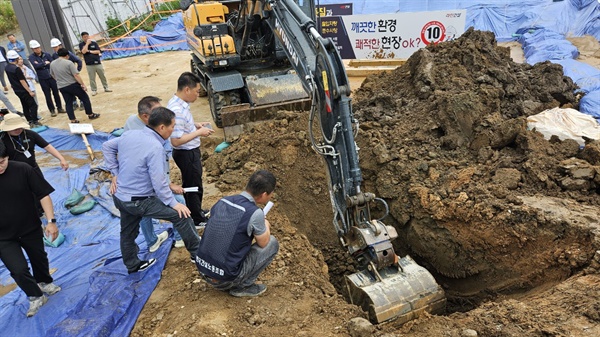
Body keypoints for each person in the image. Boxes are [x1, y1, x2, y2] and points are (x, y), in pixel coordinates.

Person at [102, 107, 201, 274]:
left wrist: (115, 173)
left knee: (127, 231)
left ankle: (132, 265)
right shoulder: (155, 147)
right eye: (172, 126)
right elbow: (159, 182)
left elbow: (107, 146)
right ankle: (198, 255)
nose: (173, 130)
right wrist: (173, 203)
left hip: (120, 197)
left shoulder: (130, 134)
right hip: (139, 201)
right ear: (162, 127)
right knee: (182, 215)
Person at [0, 141, 62, 317]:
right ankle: (35, 295)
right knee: (18, 269)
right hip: (3, 236)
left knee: (39, 257)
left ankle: (44, 281)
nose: (0, 167)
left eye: (2, 161)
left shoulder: (22, 169)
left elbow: (43, 194)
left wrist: (51, 221)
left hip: (29, 227)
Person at [196, 170, 279, 297]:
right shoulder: (255, 213)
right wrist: (265, 224)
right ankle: (243, 286)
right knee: (272, 243)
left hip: (202, 269)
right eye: (271, 194)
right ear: (263, 195)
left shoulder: (223, 201)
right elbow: (264, 243)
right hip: (225, 280)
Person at [122, 96, 185, 251]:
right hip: (148, 181)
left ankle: (152, 241)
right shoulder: (148, 139)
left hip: (141, 183)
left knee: (143, 212)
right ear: (145, 117)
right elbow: (155, 173)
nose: (159, 115)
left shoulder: (133, 122)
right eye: (155, 112)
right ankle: (179, 238)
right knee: (179, 203)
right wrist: (169, 186)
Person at [168, 72, 214, 228]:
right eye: (196, 91)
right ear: (187, 89)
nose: (198, 95)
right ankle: (196, 219)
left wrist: (196, 125)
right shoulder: (177, 111)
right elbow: (176, 140)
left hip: (189, 152)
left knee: (194, 182)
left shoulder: (179, 104)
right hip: (186, 153)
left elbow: (181, 127)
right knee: (193, 185)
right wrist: (199, 133)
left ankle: (197, 211)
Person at [0, 113, 69, 177]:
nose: (18, 130)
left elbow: (47, 146)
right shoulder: (2, 139)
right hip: (13, 171)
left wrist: (61, 159)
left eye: (20, 127)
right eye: (14, 128)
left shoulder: (30, 134)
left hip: (32, 167)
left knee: (41, 187)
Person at [50, 48, 100, 123]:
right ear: (67, 55)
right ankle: (90, 114)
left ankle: (73, 120)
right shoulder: (69, 63)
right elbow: (76, 75)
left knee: (68, 103)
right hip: (72, 84)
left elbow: (52, 74)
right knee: (85, 98)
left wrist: (59, 80)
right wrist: (82, 84)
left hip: (62, 86)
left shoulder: (52, 63)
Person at [28, 40, 64, 117]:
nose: (37, 49)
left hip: (51, 77)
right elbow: (36, 66)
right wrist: (44, 63)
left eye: (38, 48)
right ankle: (52, 110)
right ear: (32, 49)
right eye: (35, 48)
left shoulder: (47, 54)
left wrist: (41, 64)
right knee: (47, 95)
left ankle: (59, 107)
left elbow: (51, 63)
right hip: (43, 79)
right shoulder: (31, 57)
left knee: (56, 93)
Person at [5, 50, 40, 127]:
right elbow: (22, 81)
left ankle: (29, 120)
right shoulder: (17, 69)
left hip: (16, 90)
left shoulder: (7, 67)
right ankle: (35, 121)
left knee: (25, 105)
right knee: (33, 105)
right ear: (16, 59)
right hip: (23, 90)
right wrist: (29, 91)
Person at [50, 38, 83, 111]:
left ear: (60, 46)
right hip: (64, 76)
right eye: (53, 47)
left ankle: (82, 101)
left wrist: (77, 70)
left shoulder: (68, 53)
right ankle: (74, 102)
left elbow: (78, 61)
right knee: (69, 90)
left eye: (56, 47)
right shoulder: (54, 56)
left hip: (72, 75)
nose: (55, 49)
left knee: (78, 88)